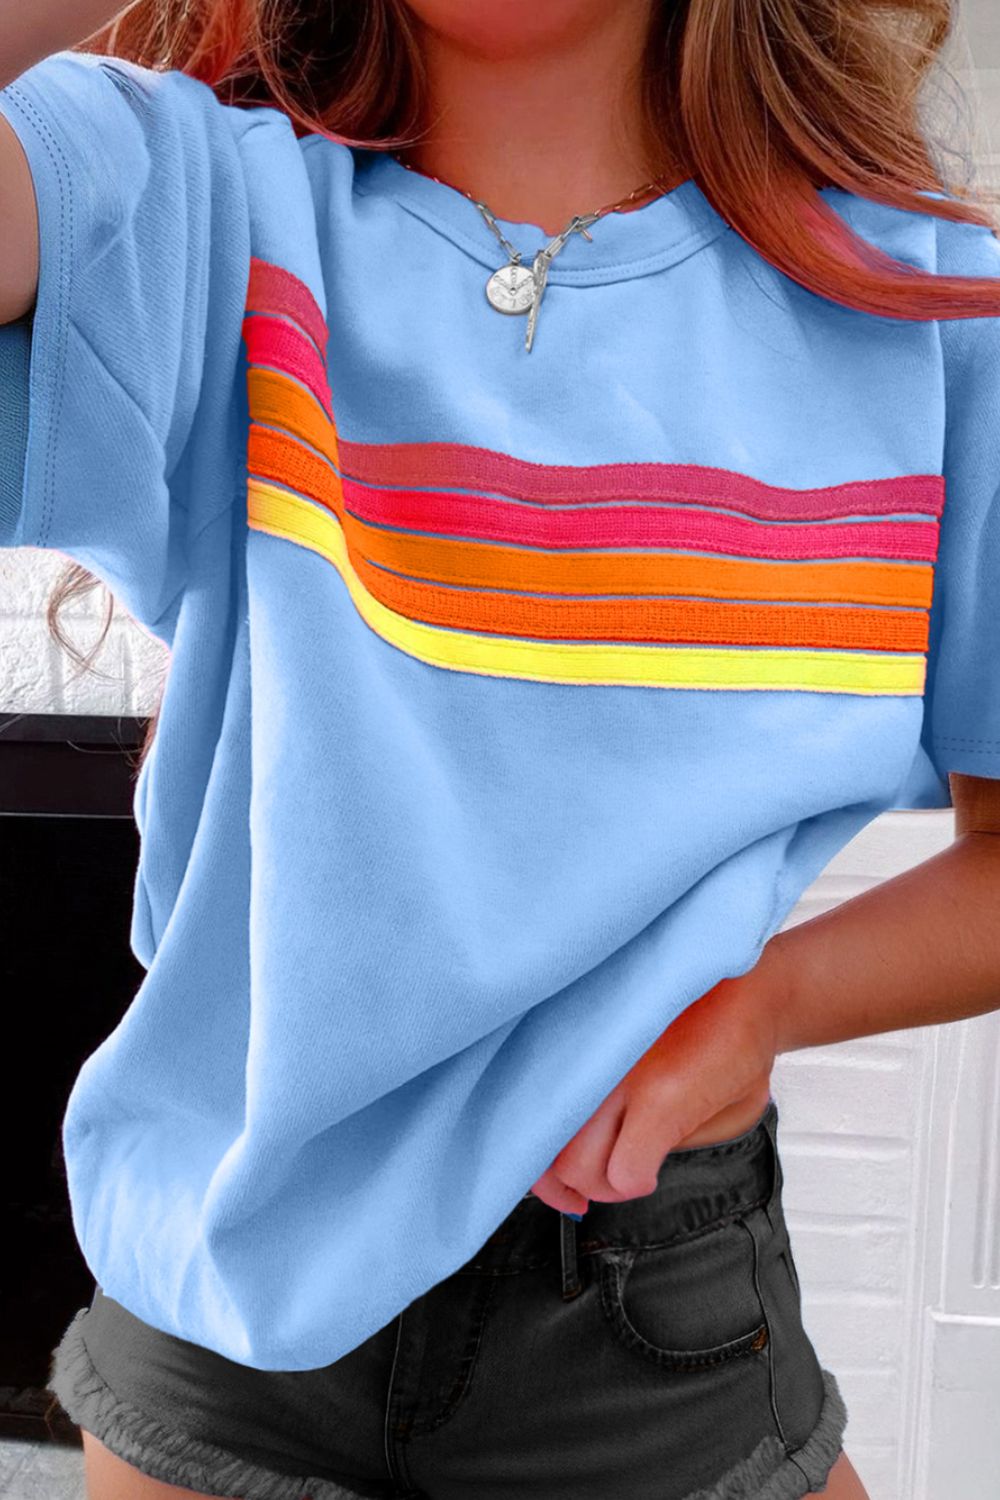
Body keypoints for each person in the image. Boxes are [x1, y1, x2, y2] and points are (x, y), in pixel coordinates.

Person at [2, 0, 1000, 1495]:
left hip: (646, 1291)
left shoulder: (933, 310)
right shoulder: (195, 204)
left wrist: (766, 1005)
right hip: (223, 1299)